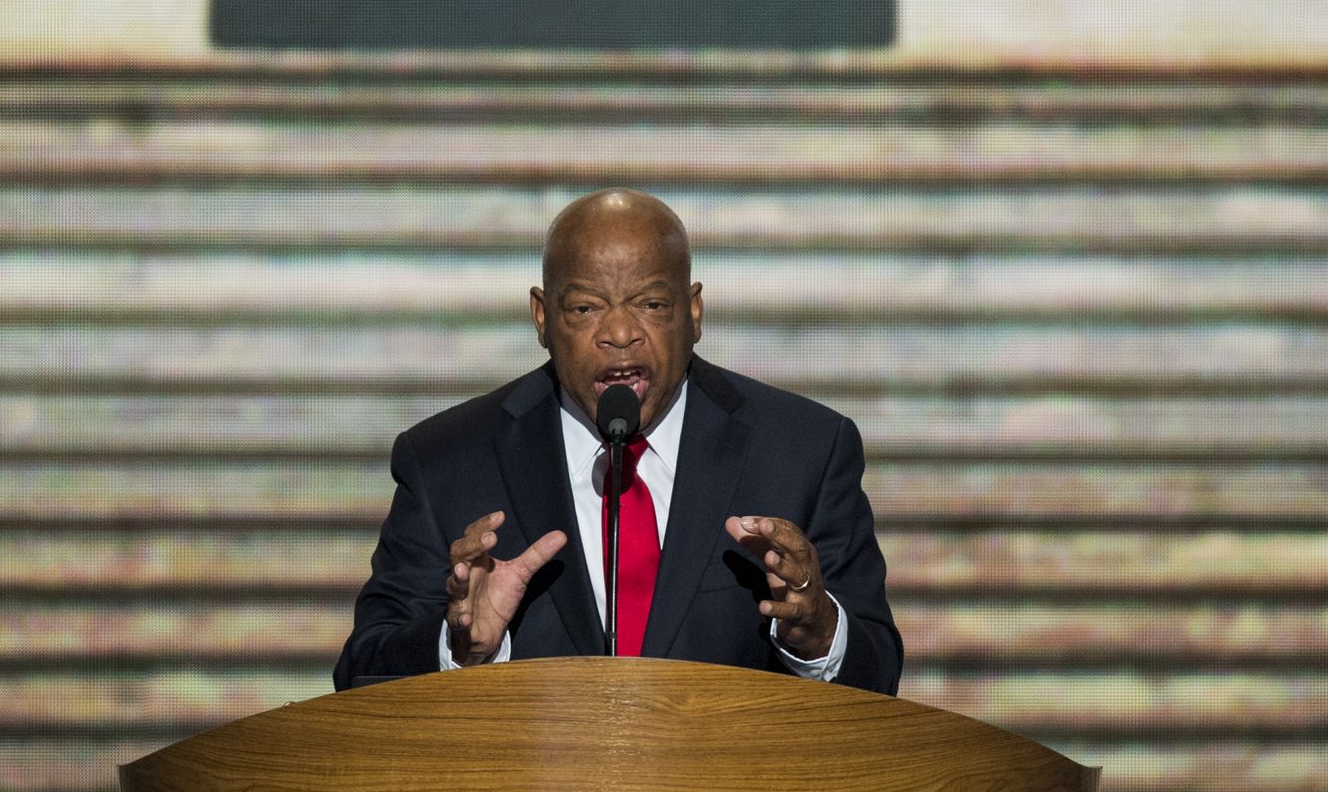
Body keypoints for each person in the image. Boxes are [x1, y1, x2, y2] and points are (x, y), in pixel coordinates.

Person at [332, 188, 902, 694]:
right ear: (541, 318)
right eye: (585, 307)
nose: (620, 332)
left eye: (651, 304)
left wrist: (817, 634)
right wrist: (457, 649)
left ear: (694, 311)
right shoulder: (445, 461)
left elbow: (878, 677)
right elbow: (360, 678)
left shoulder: (804, 451)